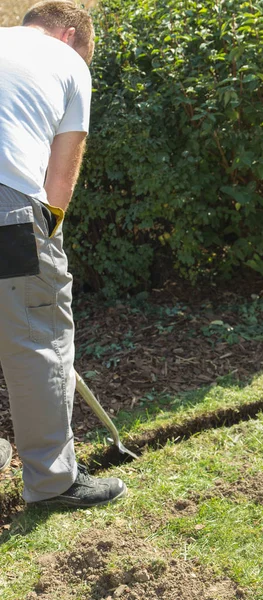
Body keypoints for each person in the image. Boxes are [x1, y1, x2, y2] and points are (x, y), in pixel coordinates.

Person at [0, 1, 127, 507]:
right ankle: (53, 483)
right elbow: (60, 178)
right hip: (6, 202)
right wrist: (45, 248)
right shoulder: (69, 61)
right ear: (71, 34)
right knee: (38, 337)